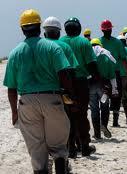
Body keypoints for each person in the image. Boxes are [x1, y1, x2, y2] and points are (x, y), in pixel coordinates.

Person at [4, 9, 72, 173]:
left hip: (26, 102)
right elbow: (64, 73)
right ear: (39, 26)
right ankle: (61, 164)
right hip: (52, 99)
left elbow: (11, 89)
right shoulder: (52, 47)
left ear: (22, 29)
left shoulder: (14, 54)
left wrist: (14, 112)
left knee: (36, 148)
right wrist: (70, 96)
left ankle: (41, 169)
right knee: (58, 145)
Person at [60, 17, 98, 158]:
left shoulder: (60, 42)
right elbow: (92, 64)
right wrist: (97, 78)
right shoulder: (84, 42)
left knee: (67, 116)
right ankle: (85, 146)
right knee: (81, 115)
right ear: (79, 28)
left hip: (63, 84)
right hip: (81, 83)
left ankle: (71, 148)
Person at [99, 19, 127, 127]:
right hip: (114, 74)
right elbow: (123, 59)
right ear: (111, 29)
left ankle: (106, 122)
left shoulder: (99, 42)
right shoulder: (117, 42)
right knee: (116, 96)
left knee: (106, 96)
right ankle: (114, 121)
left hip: (102, 74)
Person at [90, 38, 117, 139]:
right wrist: (114, 89)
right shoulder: (106, 57)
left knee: (94, 109)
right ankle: (104, 125)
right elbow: (112, 76)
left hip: (91, 86)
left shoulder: (88, 57)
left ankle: (97, 134)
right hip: (104, 87)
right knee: (105, 107)